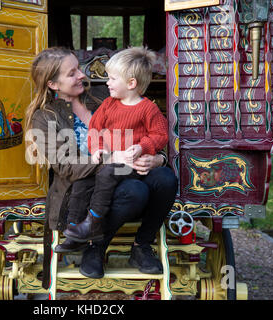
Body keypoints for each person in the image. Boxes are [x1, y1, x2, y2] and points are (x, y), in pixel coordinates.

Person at [25, 47, 177, 280]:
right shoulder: (44, 117)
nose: (82, 75)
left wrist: (157, 159)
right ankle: (96, 246)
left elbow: (149, 132)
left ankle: (141, 245)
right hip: (86, 186)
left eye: (78, 68)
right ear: (53, 84)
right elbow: (65, 166)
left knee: (166, 179)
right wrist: (111, 158)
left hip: (128, 170)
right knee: (134, 191)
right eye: (72, 72)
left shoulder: (103, 96)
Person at [62, 47, 169, 246]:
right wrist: (98, 149)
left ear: (131, 83)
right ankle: (73, 232)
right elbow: (95, 128)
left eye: (111, 79)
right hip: (109, 162)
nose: (107, 83)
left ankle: (94, 220)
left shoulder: (148, 109)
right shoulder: (109, 104)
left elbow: (160, 135)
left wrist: (142, 147)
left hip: (132, 165)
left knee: (107, 173)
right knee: (82, 183)